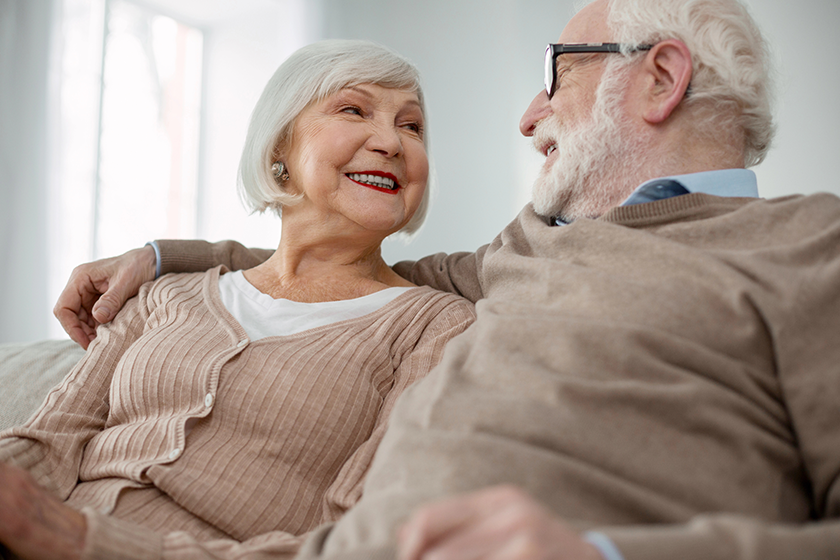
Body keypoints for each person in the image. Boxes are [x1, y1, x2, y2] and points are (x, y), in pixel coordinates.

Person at [51, 0, 840, 559]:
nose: (529, 117)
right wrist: (160, 258)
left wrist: (605, 553)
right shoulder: (525, 249)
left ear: (661, 78)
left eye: (556, 72)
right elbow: (334, 265)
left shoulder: (810, 247)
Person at [0, 39, 475, 560]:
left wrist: (80, 541)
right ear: (279, 149)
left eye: (412, 126)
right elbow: (47, 440)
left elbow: (357, 540)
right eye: (353, 109)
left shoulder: (438, 327)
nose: (392, 141)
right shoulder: (167, 293)